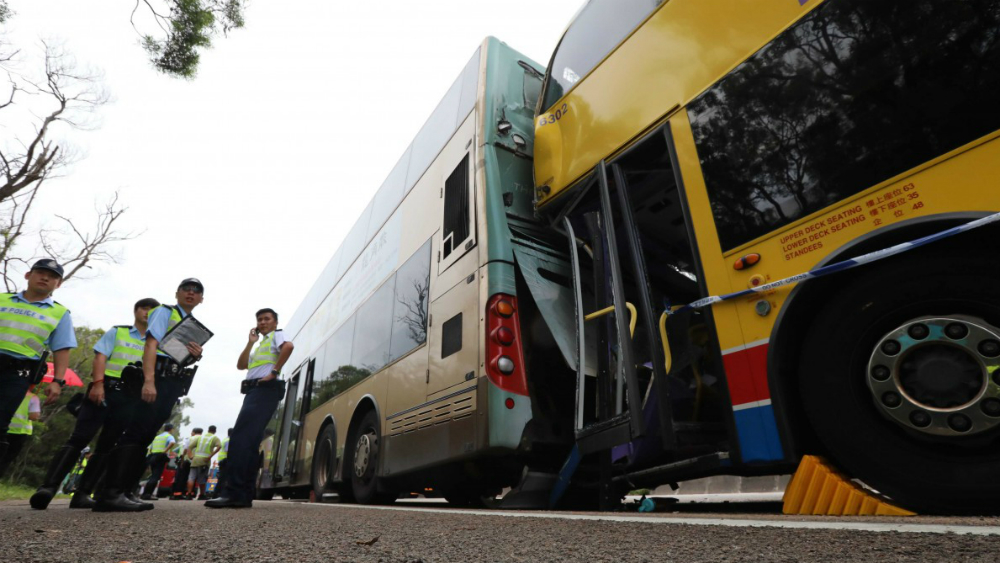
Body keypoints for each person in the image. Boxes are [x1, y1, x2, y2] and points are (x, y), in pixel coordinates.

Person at [29, 298, 159, 510]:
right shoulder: (119, 332)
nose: (148, 312)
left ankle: (82, 494)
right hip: (104, 390)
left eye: (153, 310)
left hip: (130, 398)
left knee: (107, 446)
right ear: (135, 311)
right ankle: (48, 488)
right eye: (144, 307)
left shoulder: (156, 343)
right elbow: (100, 358)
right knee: (79, 438)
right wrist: (98, 384)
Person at [93, 278, 206, 512]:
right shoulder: (164, 311)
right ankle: (110, 493)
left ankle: (125, 491)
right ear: (177, 293)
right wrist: (149, 381)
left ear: (201, 299)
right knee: (134, 433)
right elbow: (151, 345)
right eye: (187, 289)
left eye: (197, 292)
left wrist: (194, 355)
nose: (191, 293)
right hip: (157, 378)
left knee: (145, 436)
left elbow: (172, 351)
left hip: (172, 381)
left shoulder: (190, 324)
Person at [207, 308, 293, 508]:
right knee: (250, 442)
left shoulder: (277, 335)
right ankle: (243, 494)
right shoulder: (260, 343)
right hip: (254, 392)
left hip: (264, 390)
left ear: (275, 321)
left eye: (267, 319)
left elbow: (288, 346)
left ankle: (233, 493)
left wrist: (274, 371)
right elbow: (241, 365)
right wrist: (250, 343)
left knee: (240, 439)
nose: (263, 322)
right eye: (260, 320)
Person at [0, 259, 76, 464]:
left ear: (58, 284)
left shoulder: (60, 313)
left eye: (52, 277)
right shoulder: (2, 300)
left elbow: (62, 349)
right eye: (41, 273)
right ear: (28, 275)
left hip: (17, 374)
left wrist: (57, 382)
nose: (45, 278)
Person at [0, 391, 40, 477]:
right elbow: (33, 416)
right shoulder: (33, 397)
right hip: (19, 432)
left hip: (3, 427)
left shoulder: (8, 389)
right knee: (7, 458)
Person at [139, 423, 176, 500]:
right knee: (156, 476)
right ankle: (147, 494)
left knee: (153, 476)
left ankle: (146, 494)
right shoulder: (169, 436)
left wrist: (148, 460)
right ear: (171, 429)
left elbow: (150, 448)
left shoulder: (157, 437)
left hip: (152, 457)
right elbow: (172, 442)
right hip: (160, 457)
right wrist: (164, 451)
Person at [186, 425, 221, 500]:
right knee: (202, 479)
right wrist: (210, 456)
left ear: (208, 430)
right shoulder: (214, 438)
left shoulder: (200, 437)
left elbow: (189, 447)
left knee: (191, 477)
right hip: (205, 461)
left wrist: (190, 456)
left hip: (195, 460)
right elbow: (219, 446)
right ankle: (202, 495)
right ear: (215, 431)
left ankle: (188, 494)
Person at [211, 428, 232, 499]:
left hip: (222, 461)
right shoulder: (229, 440)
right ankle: (217, 494)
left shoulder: (225, 439)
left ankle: (217, 494)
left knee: (222, 479)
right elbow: (228, 451)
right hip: (225, 461)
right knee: (223, 479)